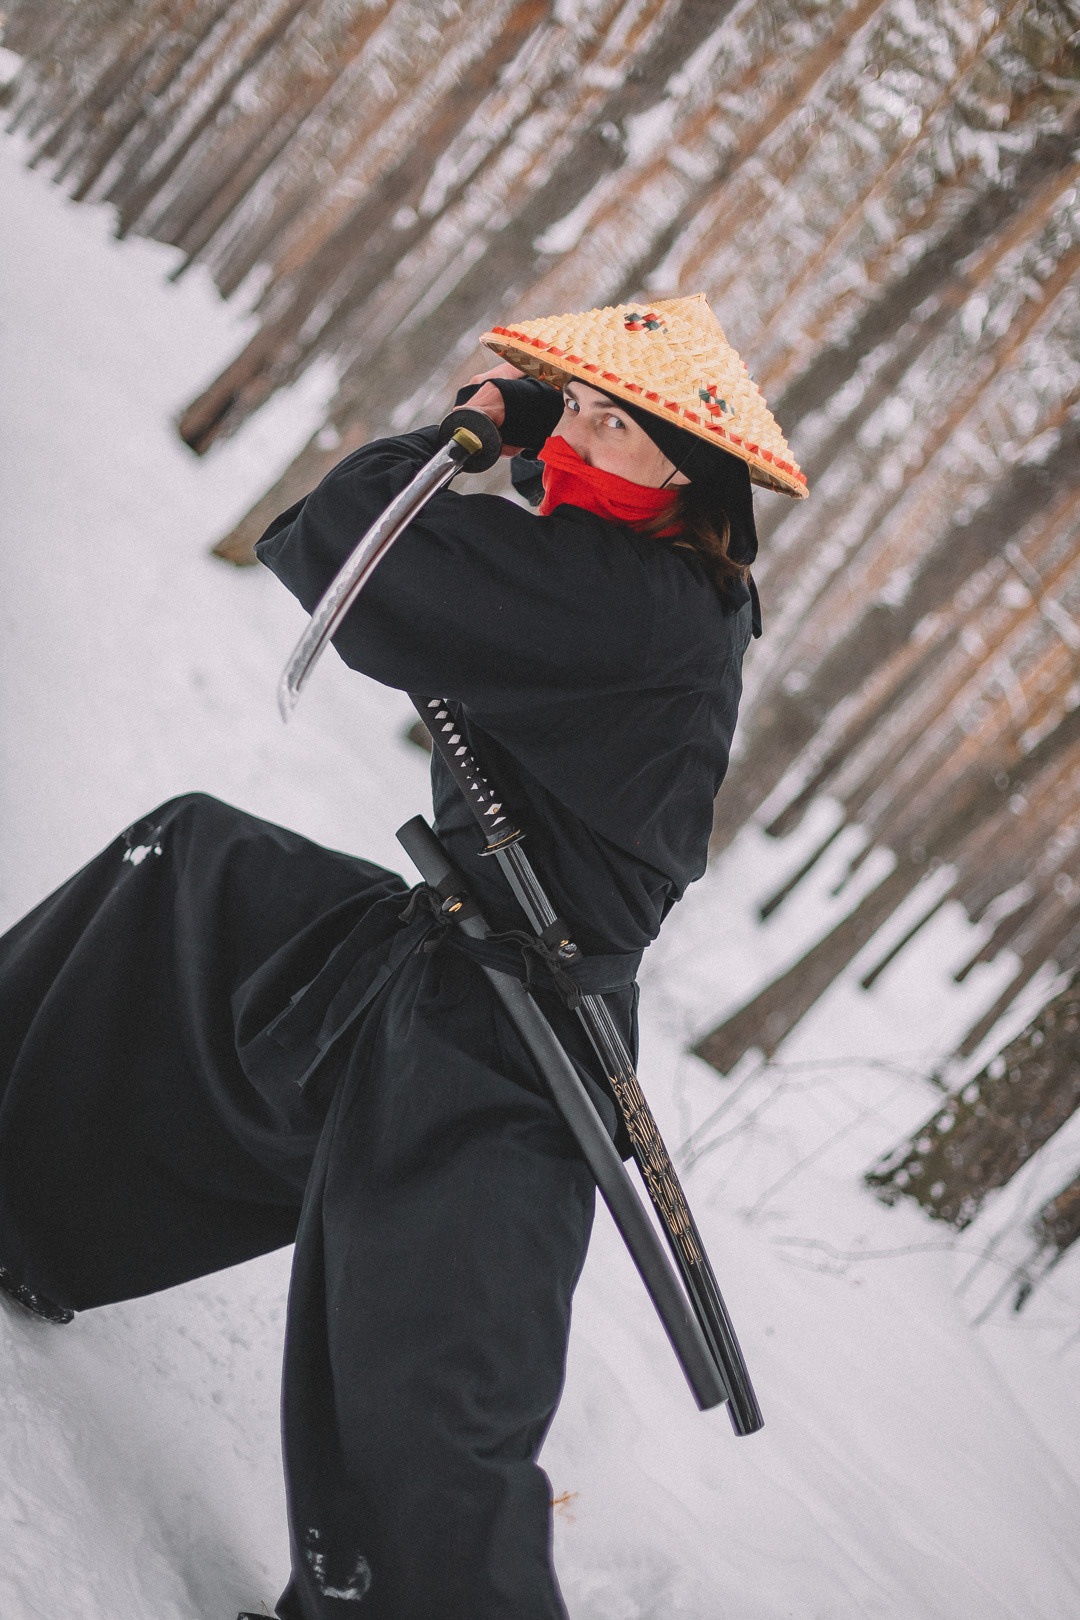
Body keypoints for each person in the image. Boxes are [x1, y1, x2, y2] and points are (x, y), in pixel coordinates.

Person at [0, 295, 804, 1619]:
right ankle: (33, 1189)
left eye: (624, 425)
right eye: (585, 408)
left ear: (690, 477)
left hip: (512, 1040)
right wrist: (521, 440)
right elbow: (354, 551)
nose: (588, 438)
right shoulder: (655, 581)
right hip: (444, 958)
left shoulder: (629, 599)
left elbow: (346, 546)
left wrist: (482, 424)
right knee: (193, 873)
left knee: (436, 1426)